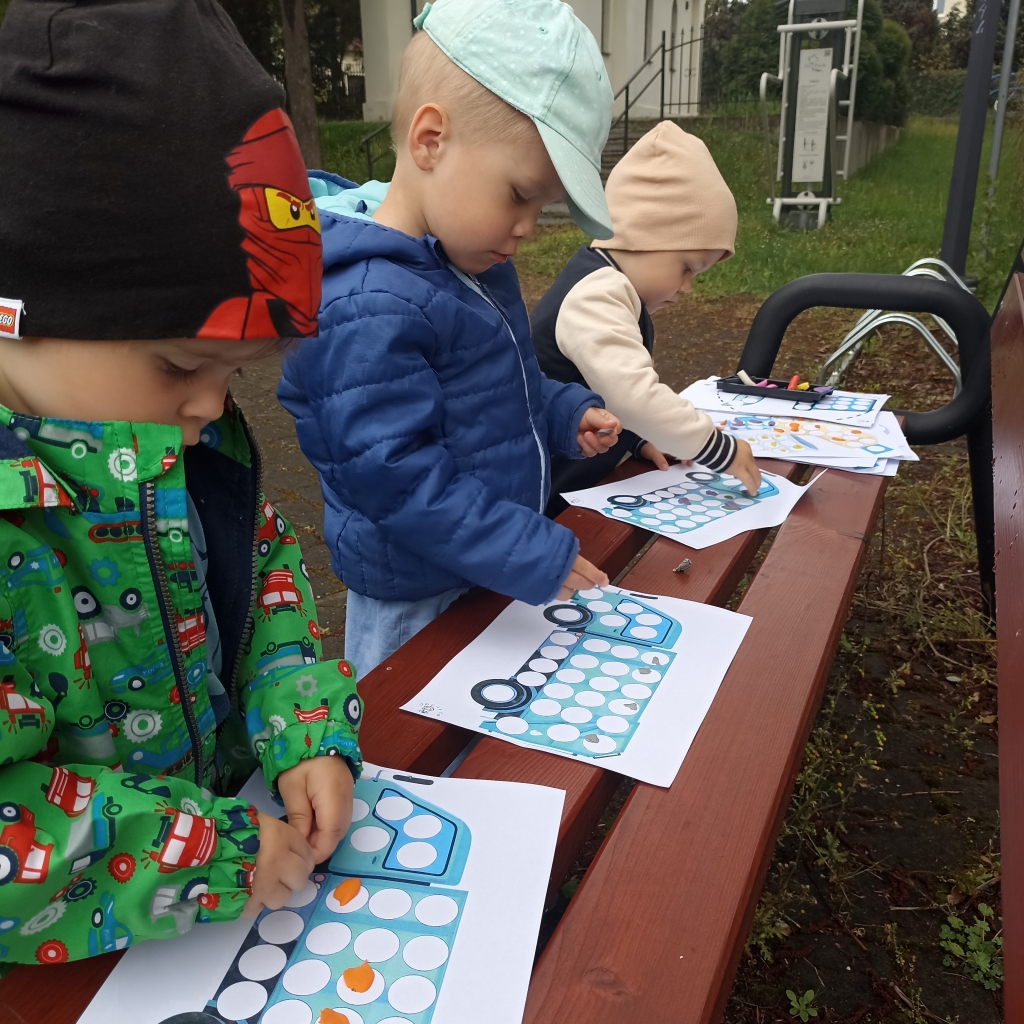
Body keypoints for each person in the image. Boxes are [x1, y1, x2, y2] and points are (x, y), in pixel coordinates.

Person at [0, 0, 361, 964]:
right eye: (178, 365)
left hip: (212, 938)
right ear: (17, 310)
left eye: (232, 374)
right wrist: (203, 856)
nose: (209, 407)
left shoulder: (181, 455)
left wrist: (304, 726)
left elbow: (267, 588)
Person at [279, 0, 624, 680]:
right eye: (520, 194)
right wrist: (526, 550)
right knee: (409, 733)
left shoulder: (466, 261)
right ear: (430, 141)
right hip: (413, 596)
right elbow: (396, 475)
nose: (528, 227)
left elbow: (499, 387)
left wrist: (562, 412)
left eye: (541, 207)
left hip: (480, 563)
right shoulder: (366, 302)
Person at [530, 120, 762, 518]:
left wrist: (635, 439)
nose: (687, 288)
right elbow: (633, 395)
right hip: (539, 495)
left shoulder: (608, 286)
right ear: (645, 235)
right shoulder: (596, 293)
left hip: (570, 481)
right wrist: (718, 448)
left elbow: (607, 388)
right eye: (688, 267)